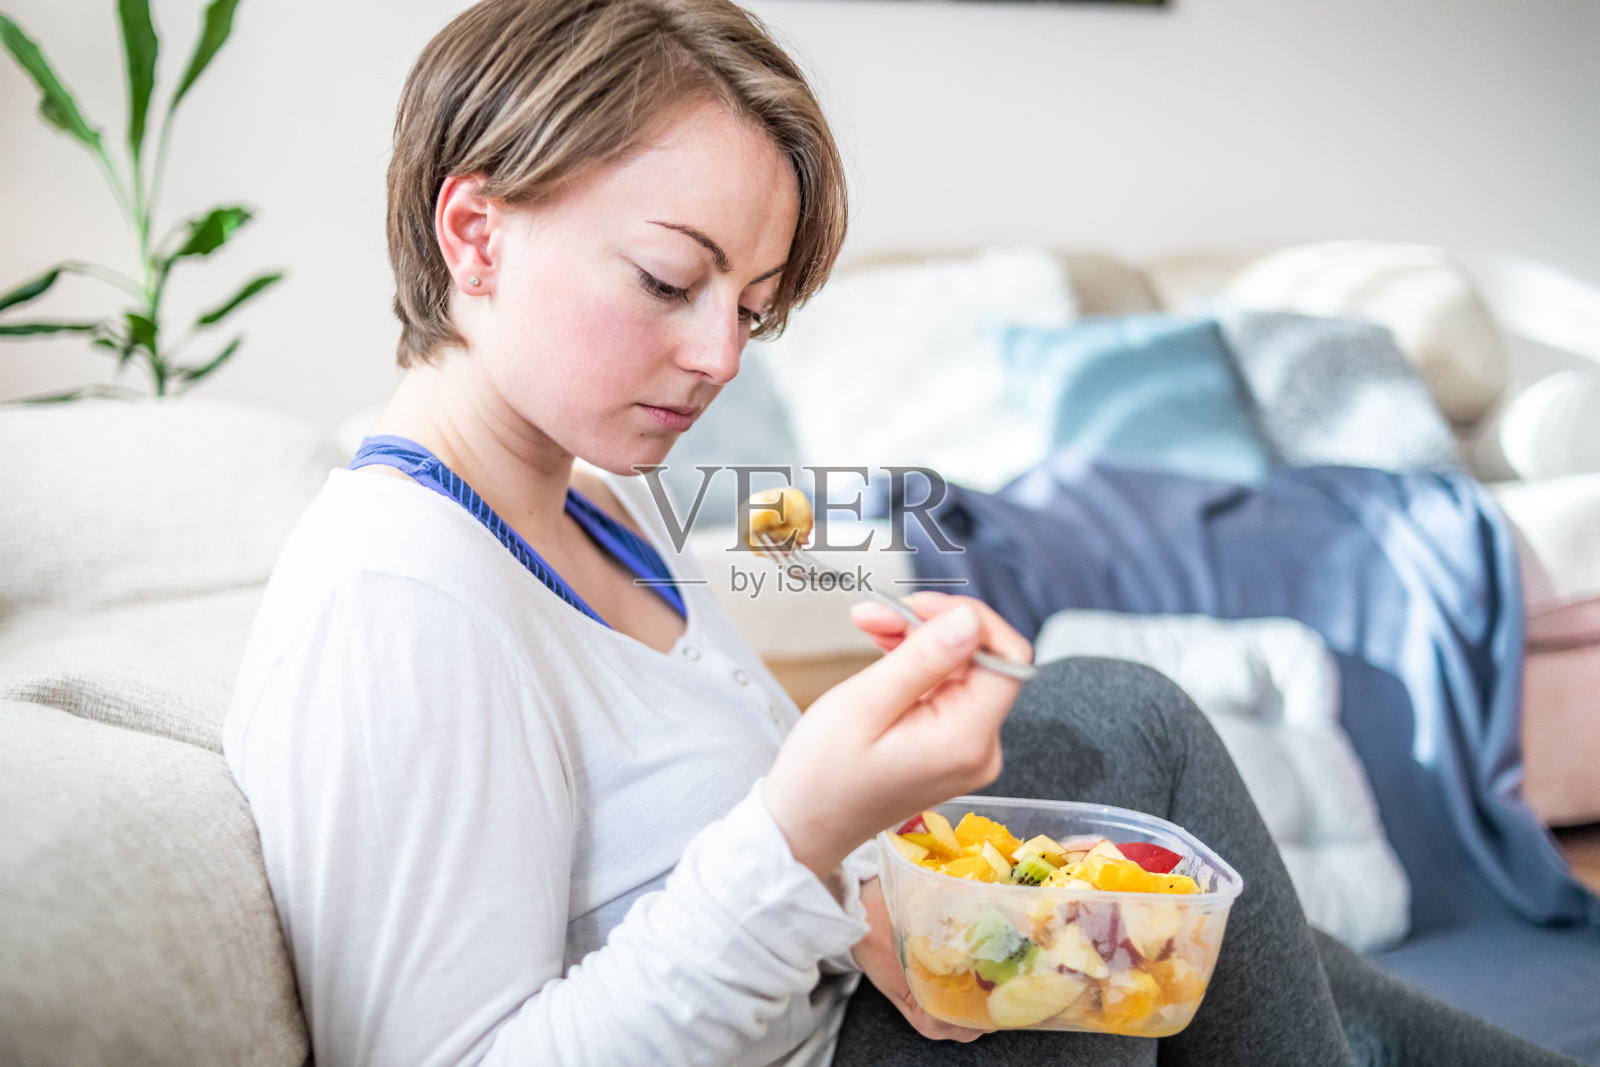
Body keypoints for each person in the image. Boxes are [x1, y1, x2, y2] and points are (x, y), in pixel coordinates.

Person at [222, 1, 1580, 1064]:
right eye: (670, 279)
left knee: (1159, 867)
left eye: (749, 308)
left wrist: (870, 892)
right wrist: (803, 834)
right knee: (1118, 723)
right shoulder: (404, 596)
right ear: (476, 232)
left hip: (841, 1007)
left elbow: (715, 843)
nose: (718, 357)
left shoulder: (601, 500)